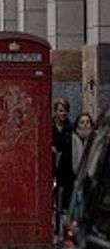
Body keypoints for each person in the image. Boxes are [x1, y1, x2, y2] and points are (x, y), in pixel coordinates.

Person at [54, 98, 76, 232]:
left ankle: (63, 227)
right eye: (61, 110)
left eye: (65, 110)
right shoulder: (49, 126)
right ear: (55, 112)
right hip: (52, 168)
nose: (63, 113)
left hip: (66, 169)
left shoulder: (70, 127)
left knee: (65, 202)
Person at [73, 112, 95, 177]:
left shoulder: (95, 141)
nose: (85, 124)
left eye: (87, 122)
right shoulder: (71, 140)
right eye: (82, 122)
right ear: (77, 125)